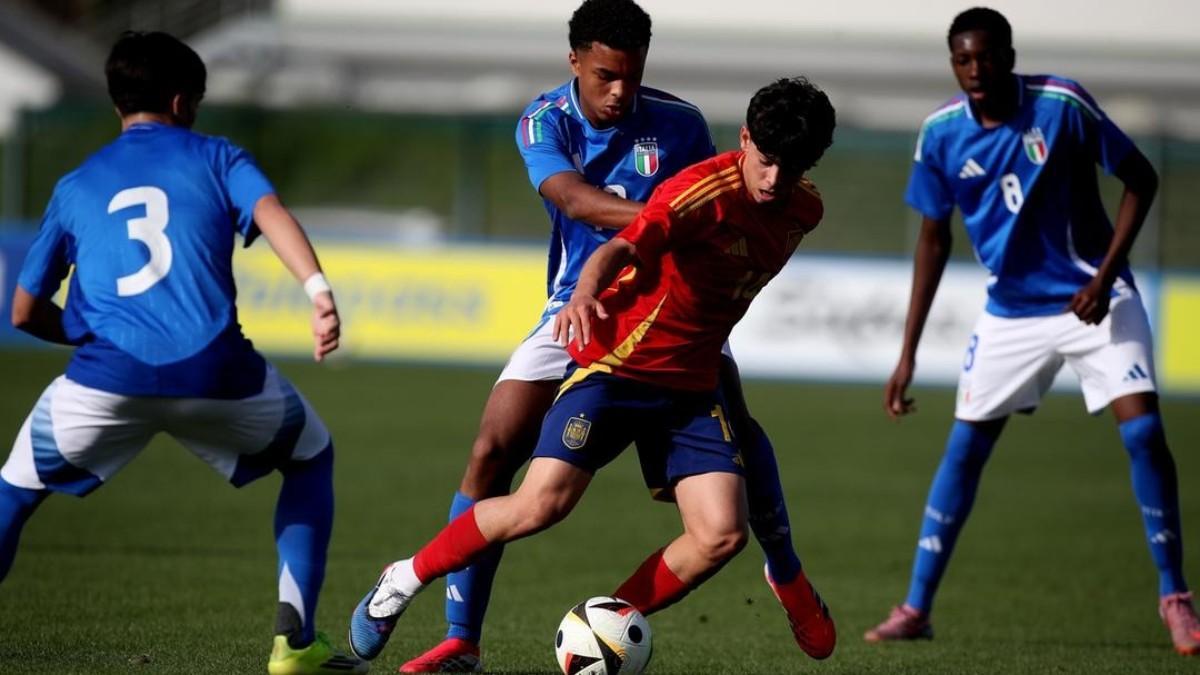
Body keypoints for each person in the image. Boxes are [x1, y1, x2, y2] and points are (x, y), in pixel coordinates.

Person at [348, 77, 838, 670]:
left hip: (690, 385)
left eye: (792, 169)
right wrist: (583, 294)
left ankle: (608, 624)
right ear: (743, 140)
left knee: (720, 535)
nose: (773, 181)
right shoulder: (697, 193)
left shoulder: (804, 211)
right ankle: (403, 577)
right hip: (619, 366)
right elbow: (620, 249)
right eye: (765, 162)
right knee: (538, 505)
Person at [0, 32, 366, 674]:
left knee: (13, 493)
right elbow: (272, 211)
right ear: (181, 101)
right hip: (218, 375)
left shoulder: (76, 184)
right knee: (310, 455)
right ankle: (297, 644)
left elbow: (24, 313)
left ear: (119, 103)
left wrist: (88, 338)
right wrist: (318, 291)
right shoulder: (218, 156)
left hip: (103, 380)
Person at [863, 7, 1200, 656]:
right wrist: (905, 354)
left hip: (1094, 297)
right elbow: (933, 240)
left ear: (1009, 56)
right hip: (1011, 312)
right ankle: (915, 607)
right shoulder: (939, 135)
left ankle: (1175, 595)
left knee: (1146, 431)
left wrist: (1105, 276)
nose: (976, 70)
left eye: (987, 57)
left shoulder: (1062, 104)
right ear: (953, 63)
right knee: (964, 450)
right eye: (963, 59)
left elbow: (1142, 178)